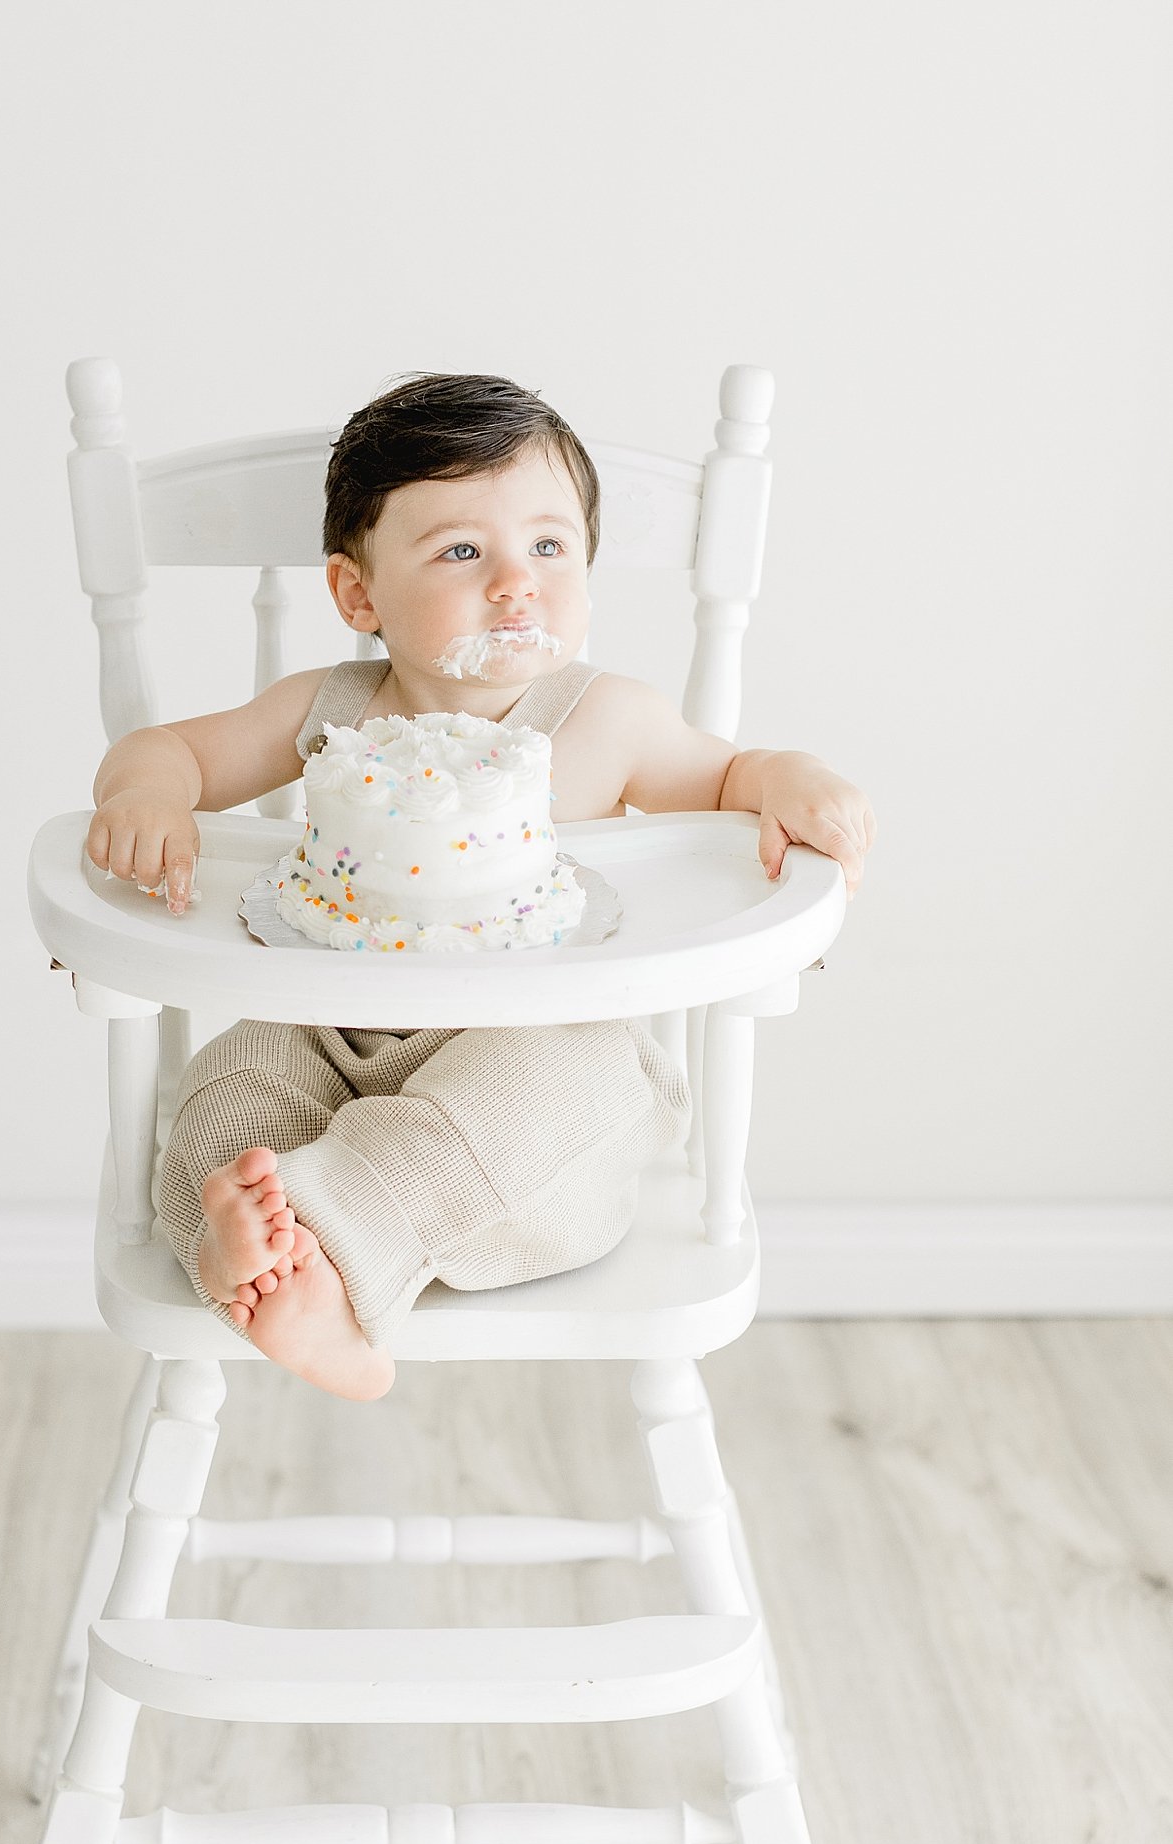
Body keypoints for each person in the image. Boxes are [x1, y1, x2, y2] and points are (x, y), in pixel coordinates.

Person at [86, 373, 875, 1402]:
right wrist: (147, 795)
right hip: (332, 1034)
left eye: (549, 546)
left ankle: (326, 1240)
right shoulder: (329, 709)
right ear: (358, 595)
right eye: (464, 551)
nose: (517, 582)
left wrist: (789, 777)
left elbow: (731, 780)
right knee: (221, 1104)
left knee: (548, 1100)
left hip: (541, 1060)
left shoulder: (607, 721)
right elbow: (169, 751)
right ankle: (256, 1256)